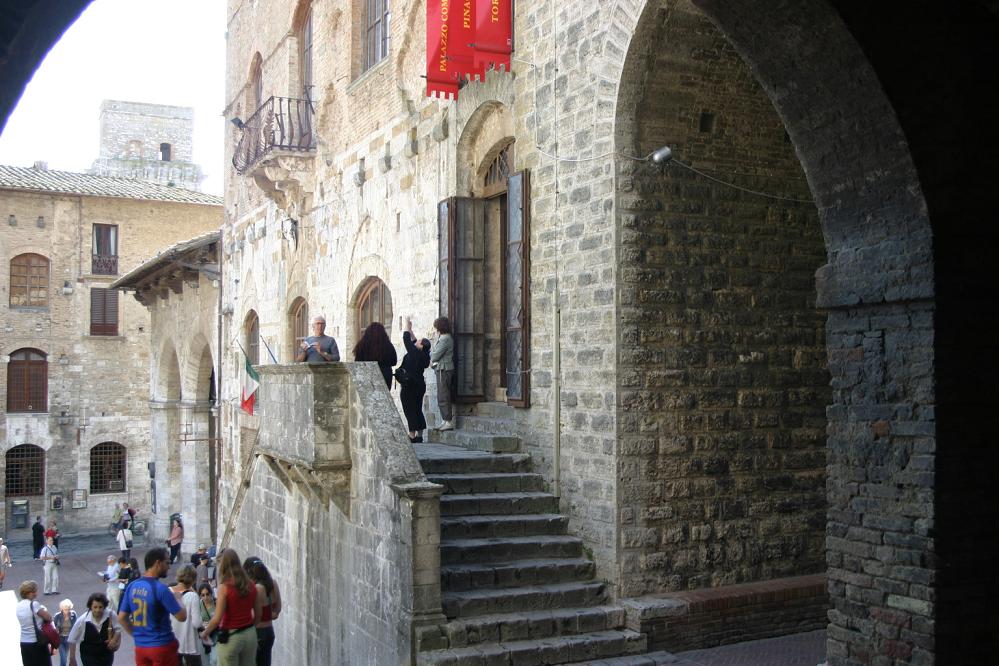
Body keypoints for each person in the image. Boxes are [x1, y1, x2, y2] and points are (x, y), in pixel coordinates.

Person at [118, 547, 187, 665]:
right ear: (158, 563)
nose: (169, 567)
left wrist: (136, 635)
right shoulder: (161, 589)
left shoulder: (132, 586)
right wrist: (179, 599)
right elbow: (182, 617)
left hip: (141, 648)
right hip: (162, 646)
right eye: (167, 563)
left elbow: (122, 618)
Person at [200, 549, 262, 666]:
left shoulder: (224, 587)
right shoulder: (251, 585)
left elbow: (217, 618)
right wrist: (250, 628)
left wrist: (205, 633)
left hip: (231, 636)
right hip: (249, 634)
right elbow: (259, 613)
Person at [243, 558, 281, 666]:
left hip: (257, 633)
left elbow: (254, 615)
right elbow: (277, 612)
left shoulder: (256, 589)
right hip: (269, 632)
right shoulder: (273, 584)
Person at [67, 592, 122, 666]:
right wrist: (72, 659)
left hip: (106, 655)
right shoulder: (83, 620)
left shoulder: (111, 615)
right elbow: (72, 639)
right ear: (90, 607)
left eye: (100, 607)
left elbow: (118, 629)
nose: (98, 610)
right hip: (89, 655)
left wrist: (114, 640)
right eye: (95, 607)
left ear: (104, 607)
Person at [398, 323, 431, 443]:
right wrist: (411, 330)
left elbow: (407, 340)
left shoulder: (415, 353)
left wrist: (406, 326)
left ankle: (412, 435)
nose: (416, 342)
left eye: (419, 342)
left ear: (421, 346)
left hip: (410, 385)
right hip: (419, 385)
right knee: (417, 408)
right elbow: (414, 340)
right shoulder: (424, 355)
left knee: (409, 409)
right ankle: (420, 434)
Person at [170, 566, 204, 666]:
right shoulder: (192, 596)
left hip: (171, 643)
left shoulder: (168, 591)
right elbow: (197, 623)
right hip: (189, 645)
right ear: (193, 579)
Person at [17, 579, 53, 666]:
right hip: (37, 641)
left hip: (24, 642)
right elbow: (49, 618)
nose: (37, 593)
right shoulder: (34, 604)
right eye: (35, 590)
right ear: (30, 592)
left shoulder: (19, 605)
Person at [352, 321, 397, 388]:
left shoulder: (362, 346)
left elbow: (357, 363)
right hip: (385, 376)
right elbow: (394, 361)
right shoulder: (387, 345)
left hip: (367, 376)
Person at [430, 316, 456, 431]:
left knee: (443, 395)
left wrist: (432, 360)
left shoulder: (445, 339)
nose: (435, 329)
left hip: (443, 369)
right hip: (442, 369)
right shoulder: (444, 338)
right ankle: (445, 420)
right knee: (442, 395)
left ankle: (448, 421)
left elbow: (435, 355)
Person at [55, 598, 78, 666]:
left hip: (69, 638)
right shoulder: (57, 616)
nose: (67, 611)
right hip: (60, 638)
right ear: (61, 609)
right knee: (63, 658)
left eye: (68, 609)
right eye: (65, 609)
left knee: (67, 656)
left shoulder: (73, 614)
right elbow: (54, 626)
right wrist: (56, 629)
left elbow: (76, 626)